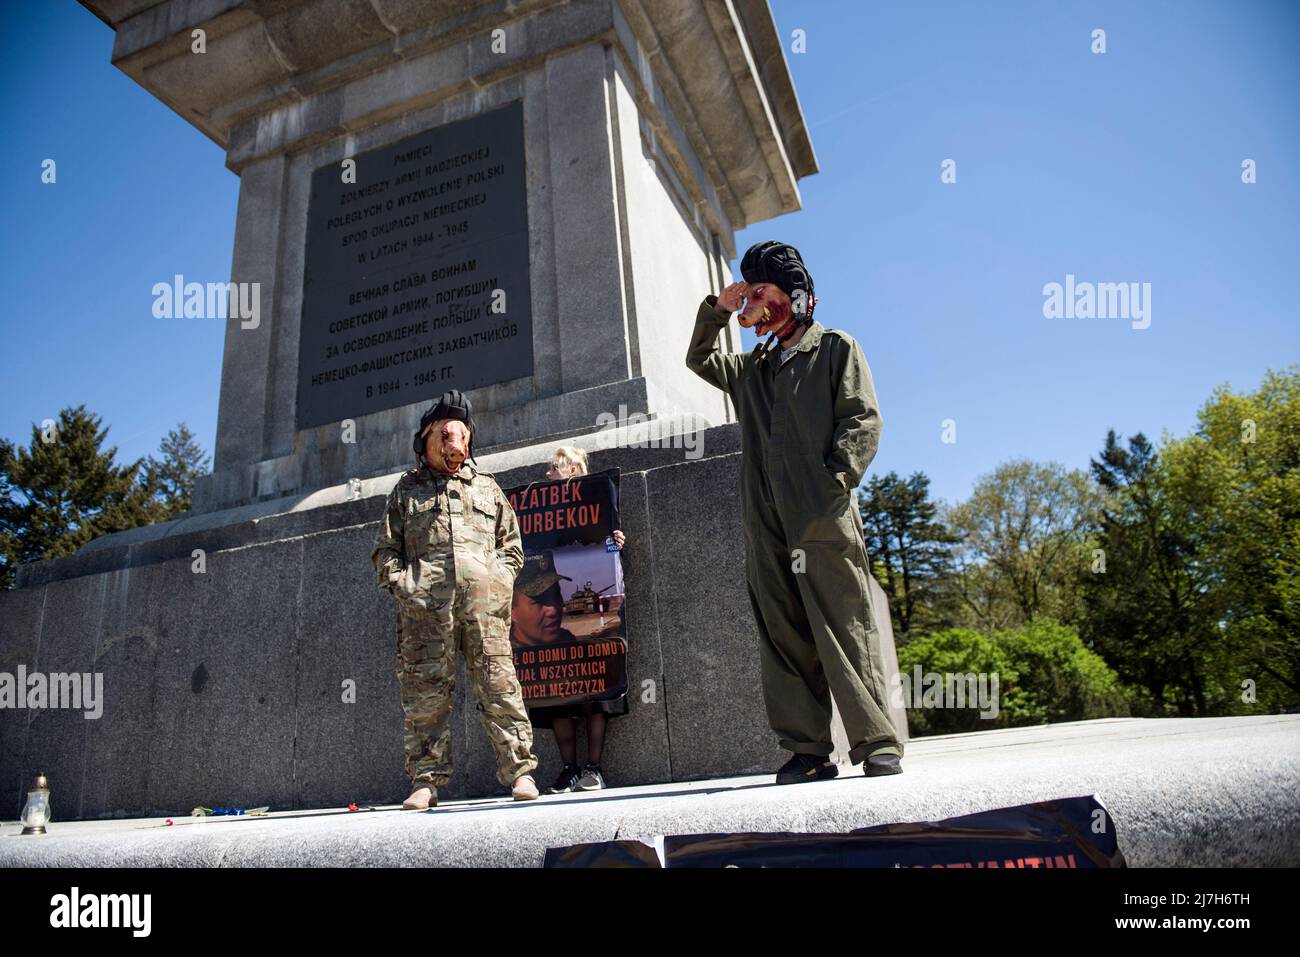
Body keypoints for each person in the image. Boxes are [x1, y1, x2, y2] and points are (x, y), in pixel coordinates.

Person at [685, 240, 904, 784]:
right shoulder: (753, 367)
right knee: (782, 634)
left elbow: (863, 420)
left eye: (763, 290)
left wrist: (834, 484)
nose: (755, 302)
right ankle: (807, 751)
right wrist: (719, 309)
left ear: (796, 295)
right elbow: (700, 359)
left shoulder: (835, 348)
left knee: (844, 625)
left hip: (821, 515)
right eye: (751, 291)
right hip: (765, 521)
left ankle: (877, 743)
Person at [371, 389, 541, 808]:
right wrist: (405, 586)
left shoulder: (487, 487)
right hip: (426, 617)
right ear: (429, 438)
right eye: (447, 437)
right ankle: (425, 782)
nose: (456, 448)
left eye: (462, 438)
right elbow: (385, 552)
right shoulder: (405, 493)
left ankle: (520, 772)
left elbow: (512, 546)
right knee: (425, 698)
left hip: (485, 611)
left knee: (500, 687)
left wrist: (498, 582)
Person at [526, 446, 628, 793]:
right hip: (554, 607)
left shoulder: (596, 507)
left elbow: (605, 551)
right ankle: (568, 769)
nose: (548, 474)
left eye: (554, 468)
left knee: (595, 688)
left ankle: (593, 767)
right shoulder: (541, 511)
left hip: (584, 609)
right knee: (556, 691)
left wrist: (615, 542)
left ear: (572, 471)